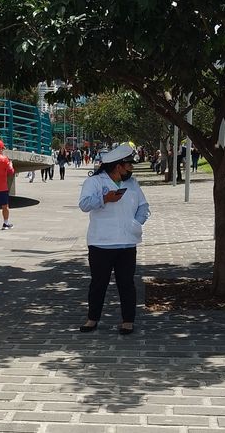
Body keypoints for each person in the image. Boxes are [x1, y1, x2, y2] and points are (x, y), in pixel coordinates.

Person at [78, 143, 150, 336]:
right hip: (101, 242)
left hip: (127, 242)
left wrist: (136, 223)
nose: (131, 168)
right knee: (98, 283)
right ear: (118, 166)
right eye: (129, 165)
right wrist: (104, 199)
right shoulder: (95, 182)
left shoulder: (132, 183)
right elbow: (84, 204)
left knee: (126, 283)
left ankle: (128, 321)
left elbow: (144, 206)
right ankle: (92, 319)